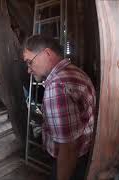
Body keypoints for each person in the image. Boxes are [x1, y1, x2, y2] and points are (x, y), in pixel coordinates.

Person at [22, 35, 96, 180]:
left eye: (29, 62)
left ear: (47, 54)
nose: (28, 70)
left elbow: (68, 148)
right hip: (84, 154)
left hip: (71, 161)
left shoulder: (57, 88)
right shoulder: (75, 71)